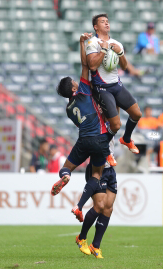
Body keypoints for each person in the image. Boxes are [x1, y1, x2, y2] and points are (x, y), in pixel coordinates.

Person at [50, 33, 111, 218]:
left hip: (83, 141)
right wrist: (82, 43)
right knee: (97, 175)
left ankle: (66, 177)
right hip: (99, 138)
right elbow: (86, 64)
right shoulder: (84, 91)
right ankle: (79, 205)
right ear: (74, 88)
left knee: (66, 167)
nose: (76, 81)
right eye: (74, 82)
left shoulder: (69, 109)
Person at [86, 13, 142, 154]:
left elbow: (123, 67)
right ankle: (106, 150)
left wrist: (121, 53)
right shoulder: (92, 43)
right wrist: (104, 50)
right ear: (95, 27)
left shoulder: (117, 43)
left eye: (107, 21)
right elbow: (92, 66)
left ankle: (127, 139)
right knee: (116, 125)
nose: (106, 23)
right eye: (103, 21)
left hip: (116, 85)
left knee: (136, 114)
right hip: (101, 88)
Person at [75, 138, 117, 259]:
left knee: (108, 208)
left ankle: (95, 245)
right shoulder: (95, 123)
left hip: (110, 170)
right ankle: (81, 238)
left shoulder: (111, 121)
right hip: (97, 168)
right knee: (99, 206)